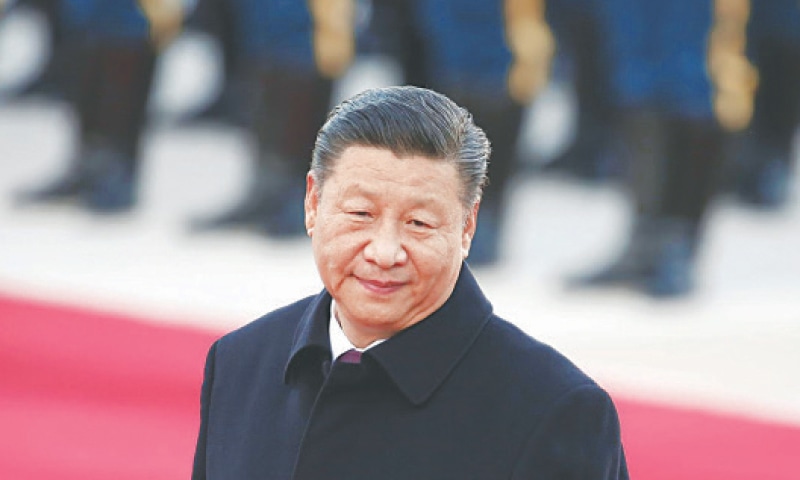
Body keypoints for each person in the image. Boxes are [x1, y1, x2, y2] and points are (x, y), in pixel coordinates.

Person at [191, 86, 628, 479]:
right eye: (361, 214)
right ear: (312, 204)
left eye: (418, 223)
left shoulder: (552, 408)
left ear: (467, 227)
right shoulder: (241, 362)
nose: (384, 252)